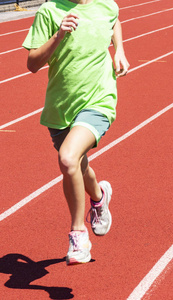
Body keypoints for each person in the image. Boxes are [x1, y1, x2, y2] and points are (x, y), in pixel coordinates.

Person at [22, 0, 129, 265]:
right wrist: (58, 35)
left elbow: (114, 19)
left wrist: (120, 51)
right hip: (60, 107)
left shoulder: (106, 5)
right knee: (77, 166)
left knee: (68, 159)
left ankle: (78, 234)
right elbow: (32, 64)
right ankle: (99, 197)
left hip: (98, 100)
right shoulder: (50, 11)